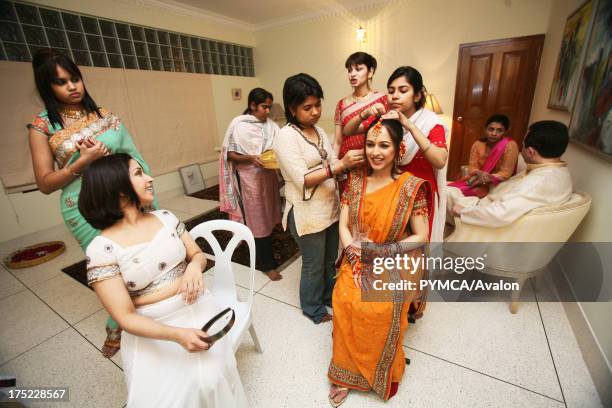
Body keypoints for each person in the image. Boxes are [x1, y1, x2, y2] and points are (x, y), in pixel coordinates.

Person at [79, 154, 248, 408]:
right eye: (138, 173)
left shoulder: (166, 217)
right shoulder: (101, 250)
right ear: (118, 189)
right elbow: (125, 317)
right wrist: (177, 335)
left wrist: (193, 266)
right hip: (155, 328)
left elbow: (198, 255)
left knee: (215, 381)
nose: (150, 178)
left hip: (201, 309)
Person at [27, 49, 154, 357]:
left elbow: (132, 155)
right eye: (61, 82)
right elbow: (44, 183)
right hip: (81, 207)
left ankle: (143, 317)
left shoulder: (103, 116)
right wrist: (81, 162)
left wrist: (143, 191)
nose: (72, 86)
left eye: (75, 78)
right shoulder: (41, 127)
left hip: (122, 198)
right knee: (111, 269)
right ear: (47, 87)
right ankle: (118, 324)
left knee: (139, 260)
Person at [328, 118, 430, 406]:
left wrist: (382, 253)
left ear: (398, 150)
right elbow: (344, 225)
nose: (375, 151)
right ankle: (345, 370)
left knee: (379, 306)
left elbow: (421, 235)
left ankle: (378, 366)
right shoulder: (356, 181)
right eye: (370, 144)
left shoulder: (410, 187)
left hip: (393, 256)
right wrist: (353, 254)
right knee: (345, 298)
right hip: (357, 254)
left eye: (384, 145)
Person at [343, 65, 448, 319]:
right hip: (388, 188)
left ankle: (411, 305)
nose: (395, 96)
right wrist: (366, 112)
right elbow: (348, 131)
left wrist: (409, 126)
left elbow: (439, 159)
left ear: (418, 94)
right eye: (391, 91)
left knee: (414, 250)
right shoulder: (386, 119)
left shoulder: (431, 123)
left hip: (417, 193)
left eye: (403, 90)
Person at [274, 73, 364, 324]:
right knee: (313, 264)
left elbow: (334, 161)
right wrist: (338, 167)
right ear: (292, 109)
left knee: (328, 260)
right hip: (306, 212)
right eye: (307, 107)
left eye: (317, 105)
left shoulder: (320, 132)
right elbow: (302, 177)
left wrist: (348, 164)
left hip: (329, 207)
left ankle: (327, 296)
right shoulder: (286, 136)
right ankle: (312, 309)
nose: (315, 112)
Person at [448, 121, 573, 227]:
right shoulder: (555, 170)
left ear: (530, 152)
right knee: (447, 189)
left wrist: (464, 211)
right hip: (484, 203)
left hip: (481, 215)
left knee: (439, 192)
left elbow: (498, 214)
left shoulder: (537, 183)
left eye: (523, 144)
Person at [220, 87, 283, 281]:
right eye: (264, 107)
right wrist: (251, 158)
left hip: (268, 177)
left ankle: (266, 252)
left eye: (269, 107)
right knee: (258, 219)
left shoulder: (271, 125)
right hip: (250, 180)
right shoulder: (239, 125)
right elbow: (229, 154)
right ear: (252, 105)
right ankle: (266, 264)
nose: (267, 111)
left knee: (269, 215)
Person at [333, 52, 387, 190]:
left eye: (358, 69)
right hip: (347, 165)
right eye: (349, 70)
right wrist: (335, 166)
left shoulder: (382, 100)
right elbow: (339, 140)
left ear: (370, 72)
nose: (352, 74)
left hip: (371, 164)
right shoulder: (341, 104)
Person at [448, 114, 518, 198]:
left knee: (461, 194)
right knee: (450, 190)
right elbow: (472, 167)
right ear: (485, 129)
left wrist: (486, 178)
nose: (494, 133)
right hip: (478, 179)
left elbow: (505, 173)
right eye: (491, 129)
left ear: (505, 132)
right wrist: (479, 173)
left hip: (498, 183)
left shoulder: (510, 145)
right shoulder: (478, 144)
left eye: (499, 130)